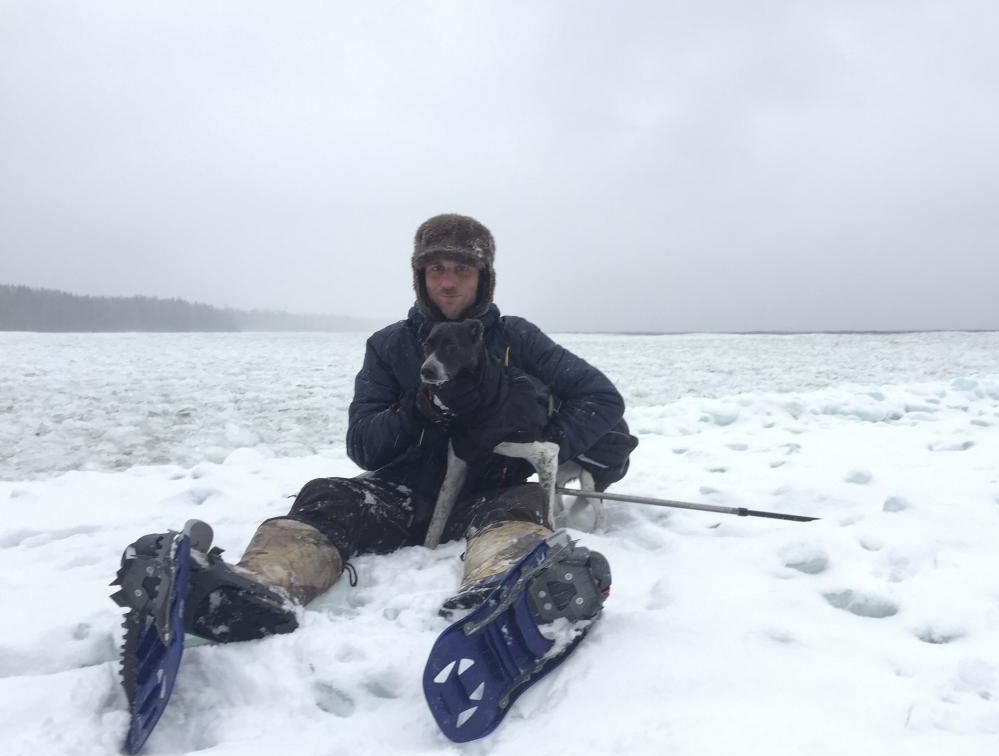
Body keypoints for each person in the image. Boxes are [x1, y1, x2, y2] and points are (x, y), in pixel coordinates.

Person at [112, 214, 636, 648]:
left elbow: (602, 399)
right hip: (403, 495)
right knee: (326, 497)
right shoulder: (389, 347)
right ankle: (254, 592)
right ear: (420, 278)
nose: (448, 281)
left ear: (484, 277)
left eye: (461, 269)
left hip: (494, 491)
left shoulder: (517, 338)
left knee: (516, 510)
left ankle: (509, 589)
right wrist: (414, 412)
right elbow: (363, 445)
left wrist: (544, 449)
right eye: (435, 270)